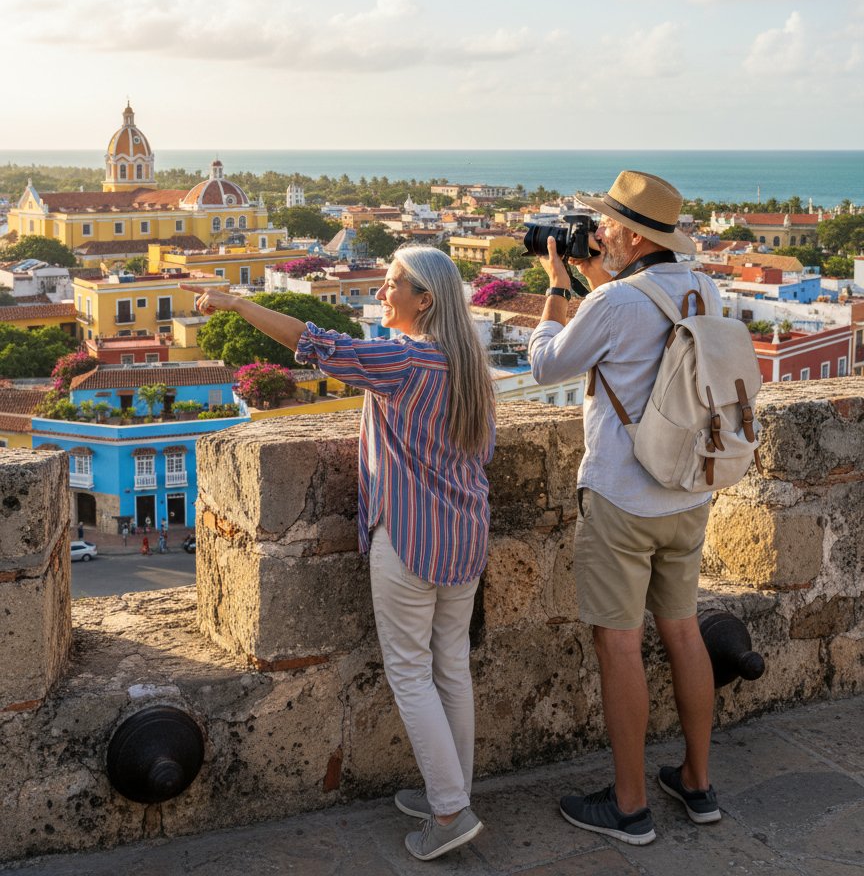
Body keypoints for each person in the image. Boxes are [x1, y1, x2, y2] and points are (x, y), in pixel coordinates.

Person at [181, 246, 495, 861]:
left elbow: (314, 342)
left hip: (408, 535)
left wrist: (238, 303)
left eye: (392, 283)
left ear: (424, 299)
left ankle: (451, 810)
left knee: (409, 672)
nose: (381, 291)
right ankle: (451, 789)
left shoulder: (408, 362)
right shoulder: (470, 363)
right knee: (450, 666)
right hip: (464, 532)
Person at [528, 171, 721, 847]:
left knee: (619, 643)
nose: (599, 232)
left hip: (622, 495)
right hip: (689, 490)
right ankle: (696, 783)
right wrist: (594, 278)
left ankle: (630, 804)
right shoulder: (703, 286)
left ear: (634, 235)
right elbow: (647, 329)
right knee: (684, 631)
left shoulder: (613, 304)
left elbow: (546, 366)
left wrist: (558, 286)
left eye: (608, 224)